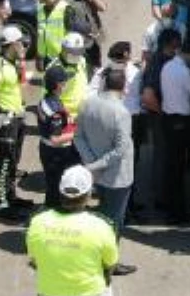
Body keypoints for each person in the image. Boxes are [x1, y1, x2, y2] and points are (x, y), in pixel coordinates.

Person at [27, 165, 119, 296]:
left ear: (60, 192)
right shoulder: (102, 226)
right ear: (88, 194)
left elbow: (34, 261)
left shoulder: (37, 222)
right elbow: (110, 264)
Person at [74, 69, 136, 265]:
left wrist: (91, 163)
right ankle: (109, 262)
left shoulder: (88, 104)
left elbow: (78, 136)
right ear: (124, 87)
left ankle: (98, 255)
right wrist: (97, 164)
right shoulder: (121, 112)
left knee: (102, 214)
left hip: (97, 174)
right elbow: (120, 149)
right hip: (118, 176)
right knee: (114, 221)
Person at [89, 42, 143, 217]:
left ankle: (112, 204)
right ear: (126, 56)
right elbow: (138, 99)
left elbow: (90, 96)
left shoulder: (102, 73)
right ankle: (125, 205)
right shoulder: (133, 73)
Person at [0, 25, 33, 222]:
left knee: (14, 160)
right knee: (5, 162)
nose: (23, 45)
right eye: (20, 42)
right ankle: (4, 203)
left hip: (17, 117)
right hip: (6, 121)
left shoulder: (14, 64)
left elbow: (23, 88)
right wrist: (1, 118)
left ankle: (12, 197)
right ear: (12, 44)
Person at [160, 36, 190, 224]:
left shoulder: (167, 67)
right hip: (182, 123)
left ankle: (169, 207)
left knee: (171, 166)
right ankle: (178, 213)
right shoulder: (184, 72)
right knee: (179, 169)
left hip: (168, 120)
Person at [141, 30, 180, 214]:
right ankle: (160, 199)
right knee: (162, 156)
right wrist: (164, 112)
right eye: (177, 43)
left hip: (161, 116)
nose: (179, 46)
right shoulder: (159, 63)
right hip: (160, 118)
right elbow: (148, 97)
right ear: (170, 44)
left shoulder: (163, 60)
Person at [37, 65, 80, 208]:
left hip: (46, 149)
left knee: (52, 186)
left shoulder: (46, 100)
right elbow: (55, 139)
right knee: (57, 189)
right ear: (57, 85)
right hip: (56, 154)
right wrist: (77, 134)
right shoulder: (55, 110)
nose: (66, 84)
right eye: (64, 82)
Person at [66, 0, 107, 71]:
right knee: (81, 68)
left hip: (94, 38)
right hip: (78, 41)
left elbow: (103, 8)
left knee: (96, 65)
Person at [48, 33, 90, 121]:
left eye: (79, 52)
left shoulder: (82, 61)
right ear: (63, 50)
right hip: (66, 116)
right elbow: (48, 97)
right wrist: (62, 114)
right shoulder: (54, 68)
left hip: (83, 113)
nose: (77, 56)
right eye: (73, 52)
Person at [35, 0, 75, 71]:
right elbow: (40, 34)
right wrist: (39, 56)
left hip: (63, 60)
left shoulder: (66, 9)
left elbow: (73, 37)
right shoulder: (40, 9)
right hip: (47, 59)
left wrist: (66, 60)